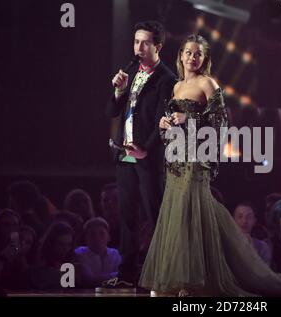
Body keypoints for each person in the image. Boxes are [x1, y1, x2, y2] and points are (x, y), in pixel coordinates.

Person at [139, 35, 281, 297]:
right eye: (188, 52)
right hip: (175, 159)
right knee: (177, 212)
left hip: (197, 158)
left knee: (192, 211)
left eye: (198, 54)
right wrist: (165, 124)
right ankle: (174, 279)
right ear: (181, 55)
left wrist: (189, 117)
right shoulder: (176, 87)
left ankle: (192, 282)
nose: (192, 58)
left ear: (205, 58)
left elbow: (222, 122)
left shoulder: (208, 83)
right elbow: (174, 126)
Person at [105, 20, 176, 284]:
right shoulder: (130, 71)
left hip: (148, 158)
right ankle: (127, 274)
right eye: (136, 41)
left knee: (155, 215)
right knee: (127, 217)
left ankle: (164, 273)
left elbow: (163, 122)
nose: (139, 47)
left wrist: (146, 149)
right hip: (124, 156)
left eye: (145, 42)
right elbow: (111, 112)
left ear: (158, 46)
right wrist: (118, 90)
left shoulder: (167, 79)